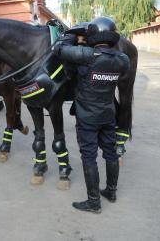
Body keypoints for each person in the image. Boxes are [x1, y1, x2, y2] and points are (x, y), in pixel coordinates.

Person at [53, 17, 130, 213]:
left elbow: (58, 49)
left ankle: (94, 202)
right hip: (107, 115)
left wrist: (73, 35)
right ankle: (111, 192)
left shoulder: (87, 55)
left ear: (93, 37)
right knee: (111, 153)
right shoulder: (122, 60)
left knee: (89, 157)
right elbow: (115, 58)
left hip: (87, 118)